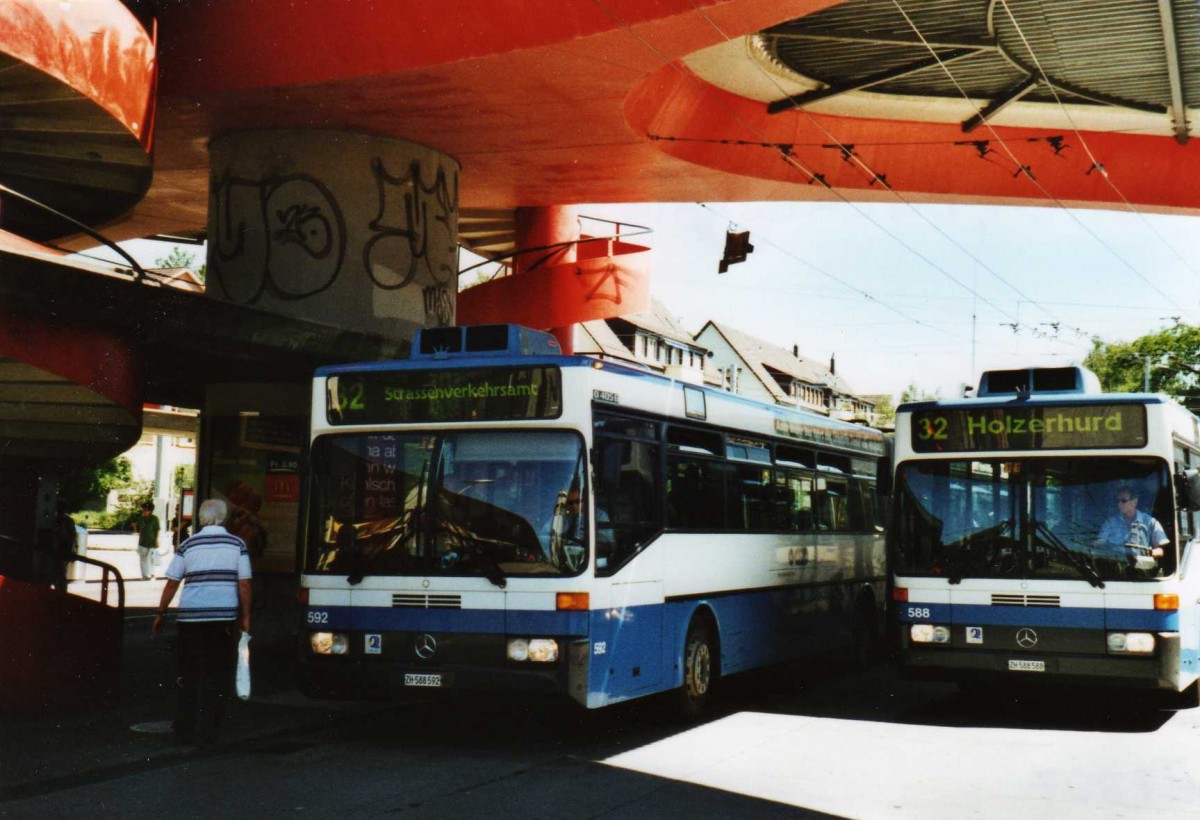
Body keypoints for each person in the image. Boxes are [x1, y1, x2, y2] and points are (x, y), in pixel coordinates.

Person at [152, 498, 252, 745]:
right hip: (223, 619)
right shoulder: (237, 544)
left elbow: (172, 582)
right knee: (217, 673)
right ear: (224, 518)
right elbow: (244, 583)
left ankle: (184, 728)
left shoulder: (188, 544)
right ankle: (209, 730)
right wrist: (246, 617)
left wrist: (161, 613)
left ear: (201, 518)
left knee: (187, 672)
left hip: (190, 618)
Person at [1094, 485, 1169, 572]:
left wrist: (1150, 553)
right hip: (1115, 571)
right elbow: (1097, 545)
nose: (1119, 504)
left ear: (1134, 502)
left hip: (1142, 572)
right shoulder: (1110, 523)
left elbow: (1160, 550)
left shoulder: (1150, 522)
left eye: (1123, 501)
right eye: (1117, 501)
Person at [134, 501, 161, 580]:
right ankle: (144, 575)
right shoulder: (140, 518)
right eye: (143, 510)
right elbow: (137, 530)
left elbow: (157, 530)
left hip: (151, 542)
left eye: (146, 510)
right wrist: (135, 526)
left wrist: (156, 540)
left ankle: (152, 574)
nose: (144, 511)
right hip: (142, 542)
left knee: (150, 559)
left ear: (150, 511)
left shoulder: (154, 519)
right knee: (143, 560)